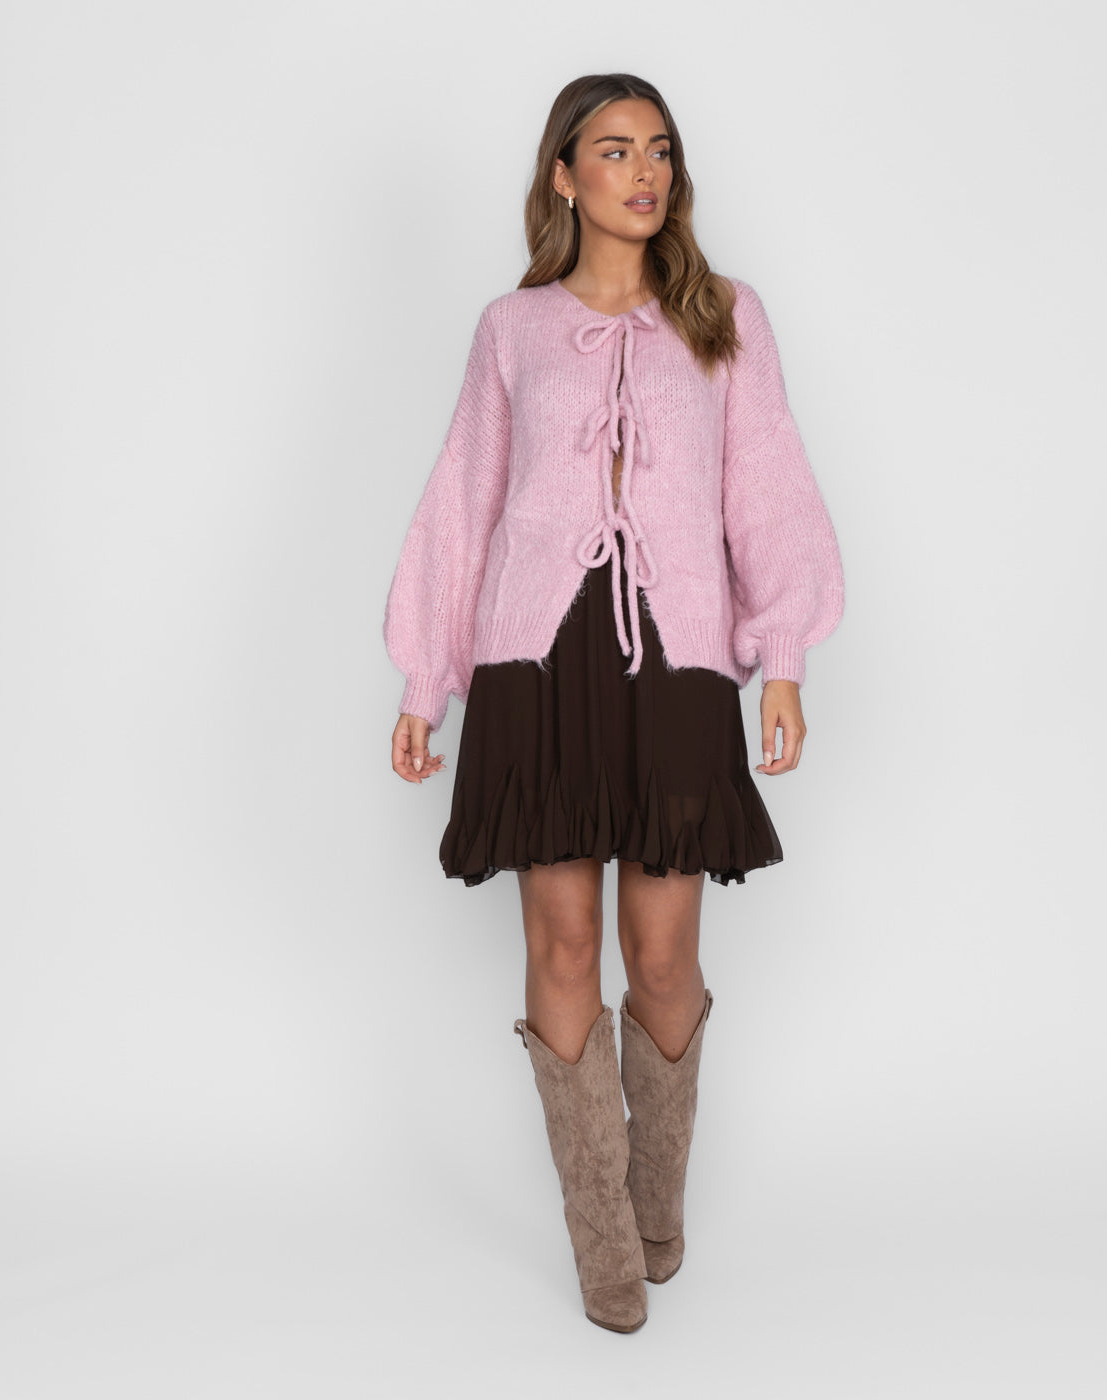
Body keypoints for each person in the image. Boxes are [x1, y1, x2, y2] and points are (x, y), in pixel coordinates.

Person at [382, 73, 845, 1333]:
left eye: (659, 151)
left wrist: (781, 654)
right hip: (534, 661)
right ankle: (602, 1239)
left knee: (663, 951)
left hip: (675, 655)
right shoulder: (510, 329)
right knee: (560, 944)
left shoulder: (724, 315)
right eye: (613, 150)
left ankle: (655, 1200)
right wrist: (426, 678)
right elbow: (463, 499)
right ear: (563, 177)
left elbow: (766, 484)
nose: (643, 172)